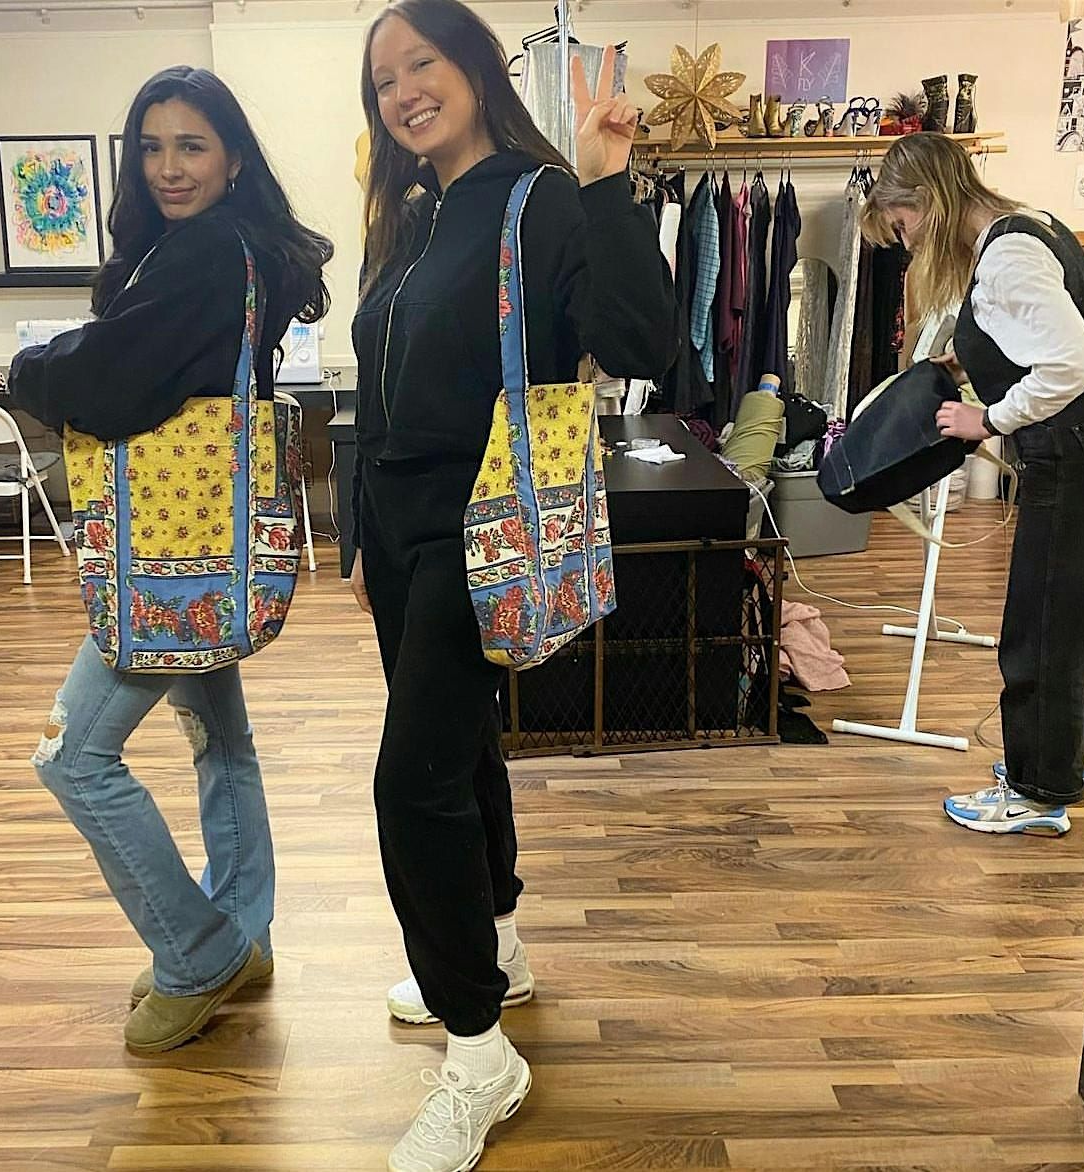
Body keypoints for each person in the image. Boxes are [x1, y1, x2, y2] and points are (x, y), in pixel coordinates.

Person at [350, 2, 676, 1168]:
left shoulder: (542, 200)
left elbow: (640, 344)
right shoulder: (414, 215)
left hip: (481, 515)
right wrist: (358, 535)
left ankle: (479, 1051)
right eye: (383, 79)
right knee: (463, 748)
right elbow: (376, 385)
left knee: (411, 783)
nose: (402, 91)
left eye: (421, 63)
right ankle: (496, 942)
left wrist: (608, 182)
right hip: (400, 531)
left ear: (477, 68)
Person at [8, 66, 332, 1052]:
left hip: (163, 560)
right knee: (218, 739)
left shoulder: (203, 252)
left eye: (191, 145)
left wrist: (26, 367)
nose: (168, 167)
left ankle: (197, 953)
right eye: (151, 147)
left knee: (73, 757)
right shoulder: (242, 250)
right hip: (206, 552)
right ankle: (243, 933)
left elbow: (111, 378)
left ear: (233, 157)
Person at [862, 132, 1084, 836]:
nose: (906, 245)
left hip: (1066, 456)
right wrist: (971, 363)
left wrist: (986, 418)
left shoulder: (1007, 257)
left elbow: (1071, 362)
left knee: (1040, 627)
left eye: (902, 226)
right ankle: (1072, 758)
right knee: (1074, 616)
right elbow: (1035, 337)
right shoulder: (1031, 225)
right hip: (1080, 450)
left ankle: (1035, 790)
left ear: (928, 200)